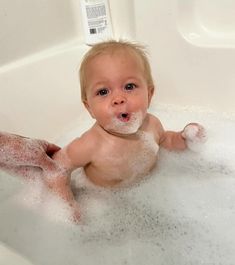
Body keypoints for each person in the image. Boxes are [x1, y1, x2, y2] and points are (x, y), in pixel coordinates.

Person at [48, 40, 206, 218]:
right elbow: (56, 168)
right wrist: (67, 206)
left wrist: (185, 138)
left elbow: (165, 140)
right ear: (89, 108)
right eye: (103, 92)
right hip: (103, 204)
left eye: (129, 87)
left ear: (149, 94)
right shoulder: (90, 144)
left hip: (150, 193)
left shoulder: (151, 124)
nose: (118, 99)